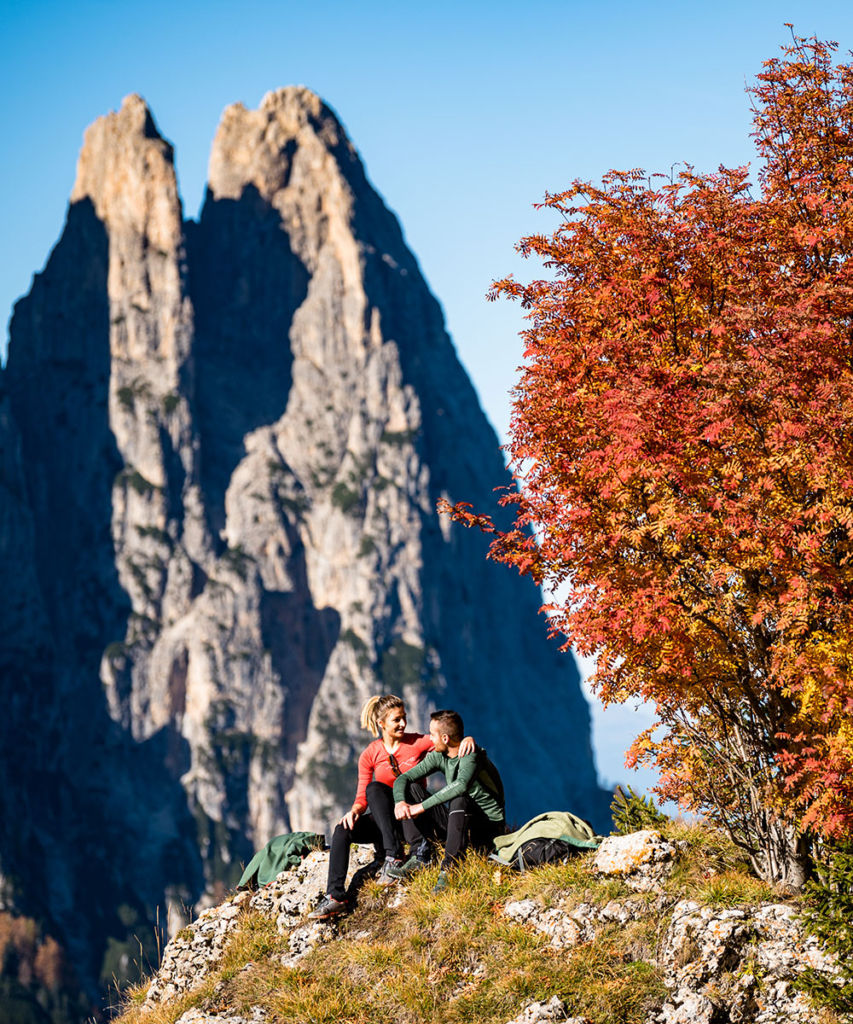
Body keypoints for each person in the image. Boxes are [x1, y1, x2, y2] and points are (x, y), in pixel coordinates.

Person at [309, 695, 474, 919]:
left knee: (397, 786)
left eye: (404, 718)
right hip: (388, 822)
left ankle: (394, 856)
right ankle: (336, 896)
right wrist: (354, 812)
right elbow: (362, 796)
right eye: (397, 720)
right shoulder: (370, 754)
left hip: (413, 818)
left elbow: (447, 739)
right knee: (347, 824)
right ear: (382, 723)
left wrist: (467, 739)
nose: (403, 724)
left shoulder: (417, 742)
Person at [393, 709, 506, 892]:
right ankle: (421, 856)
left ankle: (449, 870)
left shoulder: (471, 755)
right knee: (413, 788)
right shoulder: (440, 756)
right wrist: (400, 802)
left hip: (487, 828)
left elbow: (461, 786)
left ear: (445, 738)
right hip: (460, 822)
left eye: (432, 734)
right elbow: (402, 779)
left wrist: (420, 808)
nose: (430, 739)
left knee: (459, 798)